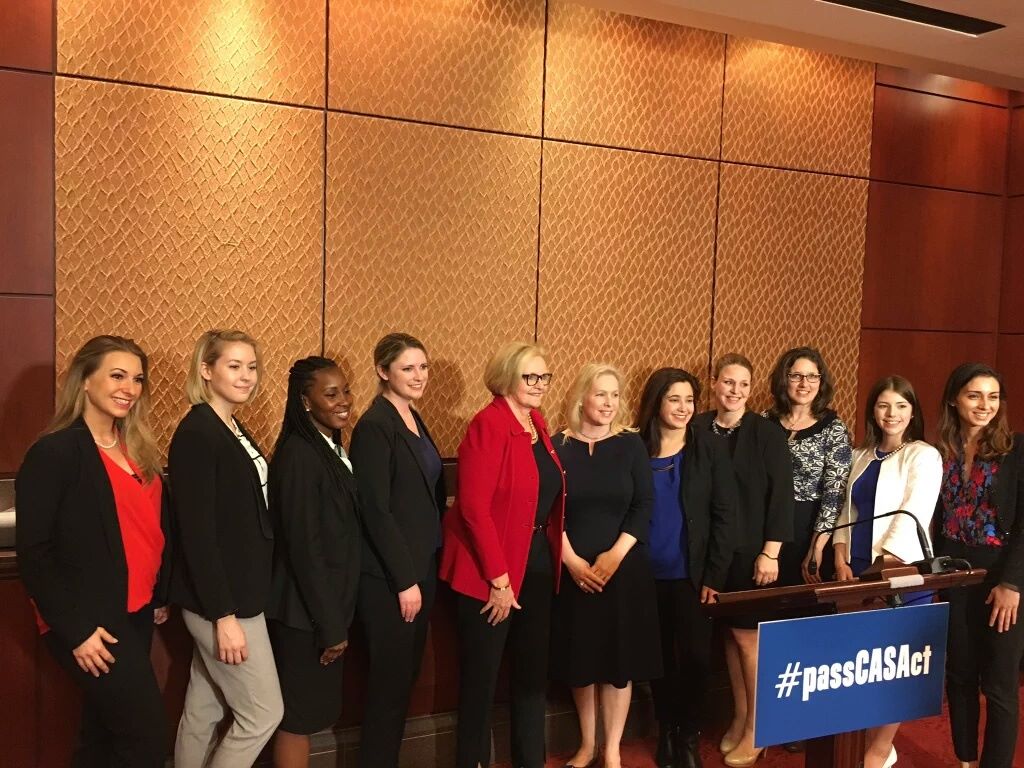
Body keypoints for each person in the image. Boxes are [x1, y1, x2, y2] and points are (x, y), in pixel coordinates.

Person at [17, 335, 170, 767]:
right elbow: (35, 554)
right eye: (117, 376)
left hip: (135, 611)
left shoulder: (135, 446)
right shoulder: (55, 452)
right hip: (90, 622)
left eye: (138, 379)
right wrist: (77, 631)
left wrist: (158, 593)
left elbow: (149, 528)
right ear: (85, 380)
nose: (130, 388)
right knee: (146, 739)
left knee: (103, 738)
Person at [439, 341, 565, 768]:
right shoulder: (488, 424)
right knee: (481, 683)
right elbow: (472, 507)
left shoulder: (537, 422)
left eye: (544, 376)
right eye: (530, 376)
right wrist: (498, 579)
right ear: (506, 378)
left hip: (536, 564)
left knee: (531, 679)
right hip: (488, 572)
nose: (539, 385)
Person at [169, 329, 284, 767]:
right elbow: (198, 534)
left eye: (251, 367)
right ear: (206, 369)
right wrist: (224, 616)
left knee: (204, 709)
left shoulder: (232, 426)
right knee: (263, 714)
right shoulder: (199, 432)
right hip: (222, 602)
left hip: (240, 592)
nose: (246, 376)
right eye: (234, 366)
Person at [552, 363, 660, 768]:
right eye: (600, 394)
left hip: (623, 571)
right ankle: (586, 745)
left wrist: (613, 557)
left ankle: (611, 749)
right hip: (573, 568)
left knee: (618, 666)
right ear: (581, 396)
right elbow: (548, 510)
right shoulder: (557, 445)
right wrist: (573, 561)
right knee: (581, 662)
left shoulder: (631, 445)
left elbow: (643, 504)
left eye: (615, 395)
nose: (609, 403)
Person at [832, 375, 941, 768]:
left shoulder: (923, 455)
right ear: (872, 411)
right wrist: (840, 557)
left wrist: (881, 571)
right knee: (861, 664)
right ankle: (864, 739)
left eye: (900, 406)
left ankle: (879, 750)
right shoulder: (860, 454)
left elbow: (913, 513)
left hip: (899, 573)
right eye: (883, 405)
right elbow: (847, 511)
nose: (891, 414)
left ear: (913, 411)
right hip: (854, 572)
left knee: (894, 666)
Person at [692, 353, 793, 768]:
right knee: (731, 641)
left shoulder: (766, 433)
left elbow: (782, 498)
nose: (735, 391)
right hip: (714, 555)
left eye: (743, 385)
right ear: (714, 383)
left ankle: (760, 727)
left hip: (755, 556)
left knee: (751, 642)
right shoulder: (697, 427)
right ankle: (740, 716)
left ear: (752, 390)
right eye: (728, 382)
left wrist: (771, 552)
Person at [350, 333, 446, 768]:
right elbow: (375, 509)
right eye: (408, 368)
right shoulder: (374, 425)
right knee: (388, 688)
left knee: (404, 680)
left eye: (423, 367)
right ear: (382, 371)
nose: (419, 376)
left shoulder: (412, 416)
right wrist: (404, 580)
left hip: (420, 567)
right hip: (391, 578)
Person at [636, 367, 737, 768]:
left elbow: (724, 515)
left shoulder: (708, 447)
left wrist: (714, 575)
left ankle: (689, 733)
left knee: (695, 657)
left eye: (689, 400)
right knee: (657, 660)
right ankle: (667, 731)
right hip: (644, 574)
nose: (683, 407)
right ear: (656, 401)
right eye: (674, 399)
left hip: (693, 576)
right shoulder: (634, 446)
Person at [266, 356, 360, 767]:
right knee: (297, 719)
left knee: (308, 713)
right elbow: (304, 549)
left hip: (323, 611)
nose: (344, 401)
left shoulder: (328, 447)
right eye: (331, 393)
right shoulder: (299, 456)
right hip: (304, 617)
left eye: (345, 391)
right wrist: (331, 625)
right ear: (305, 401)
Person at [935, 363, 1024, 768]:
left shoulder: (1016, 450)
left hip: (1000, 578)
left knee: (1001, 685)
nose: (984, 405)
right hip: (955, 573)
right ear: (955, 399)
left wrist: (1012, 584)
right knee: (960, 676)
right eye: (974, 395)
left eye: (992, 396)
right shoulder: (942, 451)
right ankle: (966, 761)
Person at [764, 347, 852, 586]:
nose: (804, 383)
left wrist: (817, 547)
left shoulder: (833, 428)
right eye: (796, 376)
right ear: (784, 379)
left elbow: (834, 494)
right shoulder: (763, 422)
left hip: (808, 528)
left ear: (821, 382)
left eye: (812, 376)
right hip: (765, 524)